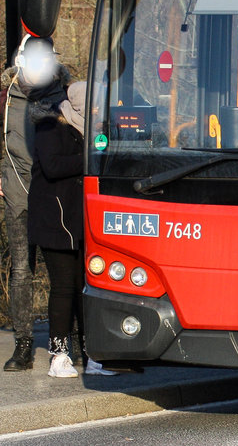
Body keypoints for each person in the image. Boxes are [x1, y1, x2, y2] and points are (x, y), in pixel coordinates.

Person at [28, 80, 114, 377]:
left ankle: (93, 356)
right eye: (95, 103)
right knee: (63, 288)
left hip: (82, 221)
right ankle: (59, 355)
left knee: (86, 288)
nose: (99, 110)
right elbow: (52, 166)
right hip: (56, 220)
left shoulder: (91, 131)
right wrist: (91, 160)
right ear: (81, 103)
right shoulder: (51, 126)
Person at [1, 36, 50, 371]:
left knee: (64, 272)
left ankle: (71, 341)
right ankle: (23, 344)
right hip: (16, 195)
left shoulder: (57, 93)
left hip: (51, 196)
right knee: (21, 271)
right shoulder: (4, 97)